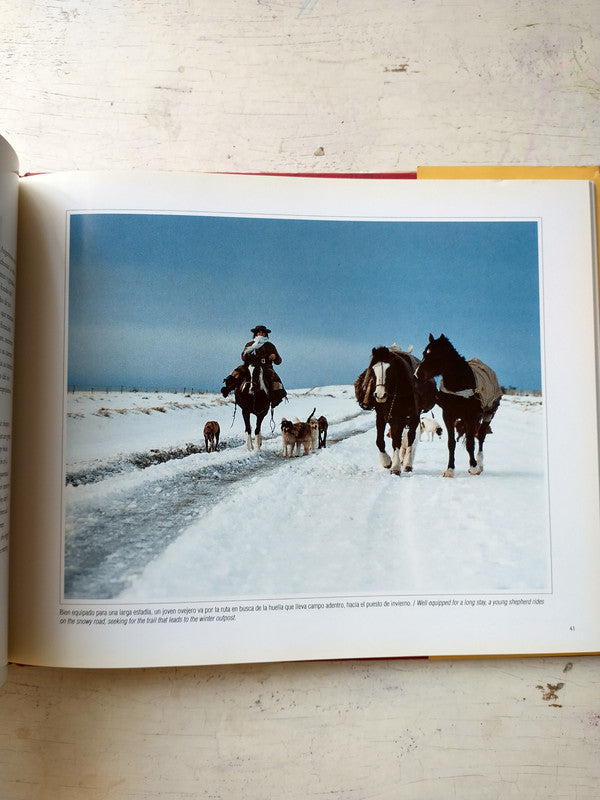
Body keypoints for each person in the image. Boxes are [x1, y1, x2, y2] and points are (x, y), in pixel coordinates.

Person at [221, 325, 287, 407]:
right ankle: (228, 389)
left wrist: (275, 357)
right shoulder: (250, 344)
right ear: (256, 334)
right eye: (259, 332)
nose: (261, 334)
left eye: (263, 333)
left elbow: (279, 361)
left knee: (274, 378)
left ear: (266, 334)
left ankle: (276, 398)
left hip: (265, 366)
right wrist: (247, 354)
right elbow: (243, 357)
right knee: (237, 372)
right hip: (249, 365)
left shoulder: (270, 346)